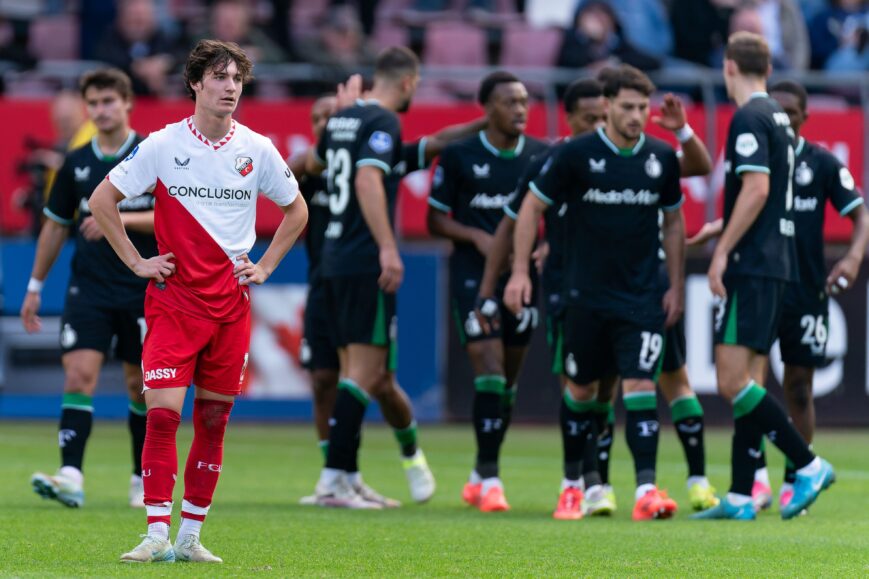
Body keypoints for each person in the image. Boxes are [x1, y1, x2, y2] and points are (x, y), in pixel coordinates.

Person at [90, 39, 308, 562]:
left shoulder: (256, 150)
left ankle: (190, 537)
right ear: (195, 83)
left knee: (213, 421)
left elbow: (296, 211)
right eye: (219, 77)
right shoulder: (164, 145)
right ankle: (156, 531)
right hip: (173, 302)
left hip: (230, 307)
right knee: (162, 415)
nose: (230, 87)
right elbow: (102, 201)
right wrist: (137, 262)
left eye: (236, 79)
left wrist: (267, 265)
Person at [505, 64, 685, 522]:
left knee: (641, 385)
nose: (637, 116)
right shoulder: (575, 155)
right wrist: (520, 272)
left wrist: (677, 285)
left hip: (641, 297)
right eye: (627, 107)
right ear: (606, 107)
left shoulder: (661, 158)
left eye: (643, 107)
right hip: (584, 295)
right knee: (582, 392)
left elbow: (674, 221)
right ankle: (572, 487)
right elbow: (530, 209)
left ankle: (646, 489)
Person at [293, 85, 485, 508]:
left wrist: (484, 120)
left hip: (361, 275)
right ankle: (345, 476)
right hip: (324, 284)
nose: (328, 124)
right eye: (320, 119)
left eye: (334, 117)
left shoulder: (373, 157)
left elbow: (436, 142)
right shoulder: (308, 170)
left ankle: (410, 457)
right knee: (328, 379)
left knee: (377, 380)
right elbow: (278, 177)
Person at [689, 79, 869, 513]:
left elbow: (860, 214)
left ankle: (796, 478)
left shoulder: (822, 163)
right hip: (766, 281)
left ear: (805, 117)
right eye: (779, 113)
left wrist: (853, 257)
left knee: (799, 388)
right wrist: (719, 231)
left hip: (804, 289)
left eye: (791, 114)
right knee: (749, 380)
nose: (784, 120)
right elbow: (750, 210)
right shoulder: (762, 158)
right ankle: (746, 488)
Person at [303, 46, 436, 509]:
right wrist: (386, 246)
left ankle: (343, 476)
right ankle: (335, 478)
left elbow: (316, 164)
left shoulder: (342, 120)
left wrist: (343, 119)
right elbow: (365, 180)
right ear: (407, 82)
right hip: (362, 259)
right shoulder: (383, 122)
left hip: (333, 258)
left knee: (351, 371)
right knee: (365, 373)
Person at [23, 68, 152, 510]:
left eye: (108, 102)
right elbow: (55, 227)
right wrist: (35, 286)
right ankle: (71, 475)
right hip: (90, 290)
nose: (100, 110)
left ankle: (142, 478)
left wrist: (118, 218)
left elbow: (176, 216)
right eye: (93, 103)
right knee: (79, 375)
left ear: (127, 103)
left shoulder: (152, 155)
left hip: (143, 287)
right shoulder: (76, 162)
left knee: (141, 386)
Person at [427, 71, 548, 513]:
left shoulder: (540, 155)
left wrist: (548, 242)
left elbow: (558, 209)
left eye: (524, 101)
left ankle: (480, 473)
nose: (520, 109)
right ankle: (492, 475)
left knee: (508, 383)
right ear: (488, 108)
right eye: (509, 102)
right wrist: (474, 237)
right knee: (491, 370)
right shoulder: (459, 156)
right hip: (471, 277)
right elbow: (434, 219)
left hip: (521, 277)